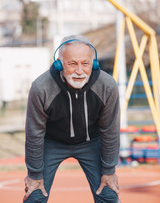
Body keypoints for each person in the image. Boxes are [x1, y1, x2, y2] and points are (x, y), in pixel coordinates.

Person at [23, 35, 120, 203]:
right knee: (35, 195)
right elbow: (34, 133)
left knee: (108, 194)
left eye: (85, 63)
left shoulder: (107, 86)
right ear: (59, 64)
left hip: (91, 141)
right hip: (52, 142)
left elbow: (110, 130)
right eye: (72, 63)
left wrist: (109, 171)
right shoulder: (41, 87)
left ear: (94, 63)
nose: (80, 71)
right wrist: (35, 174)